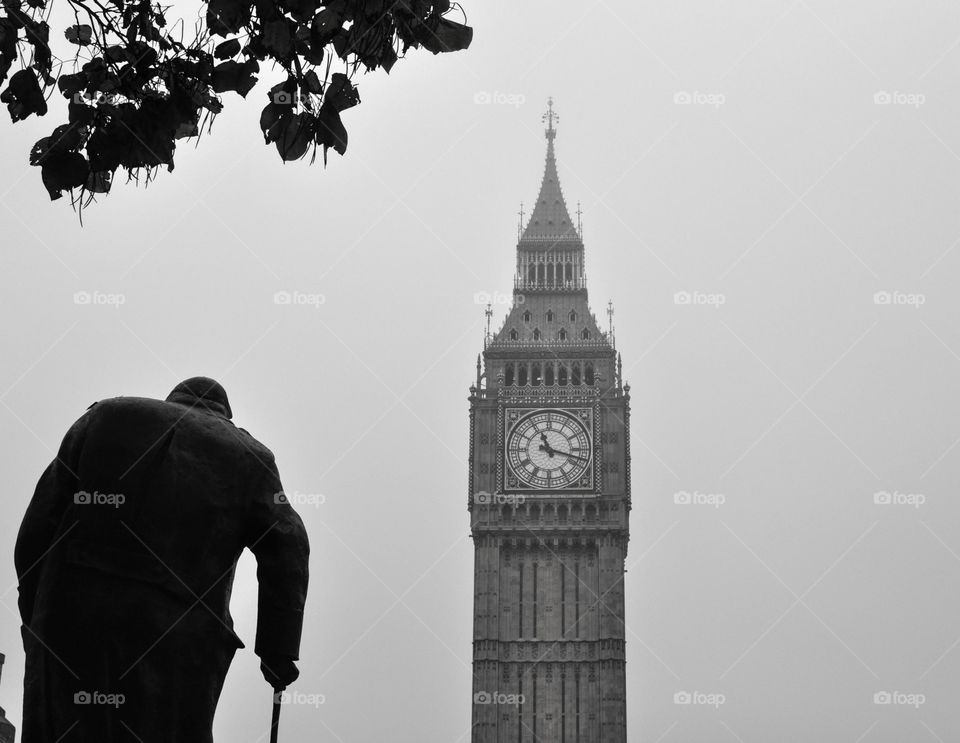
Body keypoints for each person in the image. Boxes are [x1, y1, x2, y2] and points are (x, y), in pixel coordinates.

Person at [15, 377, 309, 742]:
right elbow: (289, 546)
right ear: (225, 414)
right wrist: (277, 653)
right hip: (178, 636)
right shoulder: (251, 457)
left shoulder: (107, 414)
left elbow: (39, 524)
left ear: (173, 398)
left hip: (70, 615)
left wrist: (33, 610)